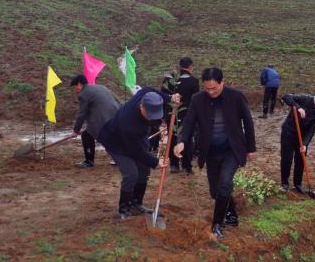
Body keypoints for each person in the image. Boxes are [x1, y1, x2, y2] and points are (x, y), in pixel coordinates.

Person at [174, 67, 256, 240]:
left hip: (231, 150)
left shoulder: (236, 96)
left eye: (214, 88)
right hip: (210, 151)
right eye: (207, 88)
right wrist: (181, 141)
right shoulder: (198, 100)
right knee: (215, 192)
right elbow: (188, 122)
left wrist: (251, 148)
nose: (210, 92)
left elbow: (248, 123)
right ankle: (232, 213)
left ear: (222, 82)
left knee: (225, 184)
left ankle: (217, 224)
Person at [96, 88, 176, 219]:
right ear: (141, 107)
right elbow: (136, 152)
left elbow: (150, 89)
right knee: (131, 173)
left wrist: (169, 97)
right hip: (116, 141)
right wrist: (156, 162)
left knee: (144, 169)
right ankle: (124, 208)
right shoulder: (128, 122)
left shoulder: (145, 95)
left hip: (137, 137)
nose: (152, 118)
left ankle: (136, 203)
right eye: (150, 115)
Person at [279, 91, 315, 192]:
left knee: (300, 159)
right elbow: (286, 96)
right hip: (288, 133)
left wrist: (305, 144)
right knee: (287, 159)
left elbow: (311, 130)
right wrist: (298, 107)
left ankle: (297, 184)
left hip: (302, 137)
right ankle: (284, 183)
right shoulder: (304, 98)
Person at [69, 75, 121, 168]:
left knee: (87, 136)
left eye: (75, 87)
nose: (75, 90)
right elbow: (117, 100)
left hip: (103, 120)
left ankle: (89, 161)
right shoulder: (101, 87)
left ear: (79, 84)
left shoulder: (83, 94)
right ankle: (119, 158)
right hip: (116, 116)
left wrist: (75, 131)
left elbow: (82, 114)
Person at [161, 57, 200, 174]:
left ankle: (174, 164)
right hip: (187, 115)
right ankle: (186, 166)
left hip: (171, 114)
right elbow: (196, 100)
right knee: (186, 138)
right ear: (190, 67)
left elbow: (163, 96)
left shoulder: (169, 80)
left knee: (172, 138)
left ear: (179, 66)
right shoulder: (193, 81)